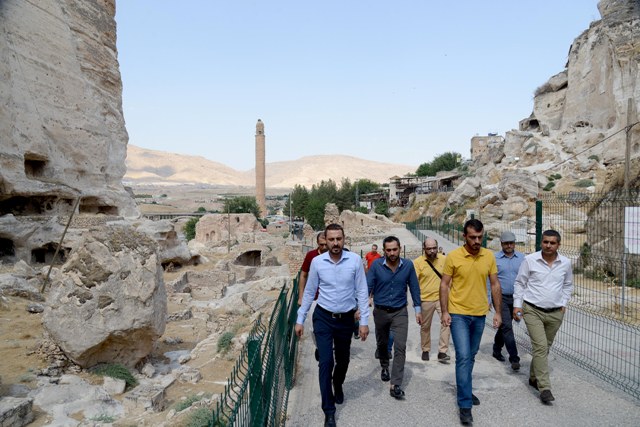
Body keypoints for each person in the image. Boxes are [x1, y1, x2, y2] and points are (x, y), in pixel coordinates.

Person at [295, 224, 370, 427]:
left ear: (344, 239)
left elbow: (362, 291)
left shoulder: (354, 260)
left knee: (343, 360)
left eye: (339, 239)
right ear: (325, 241)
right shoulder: (317, 262)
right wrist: (300, 319)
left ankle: (338, 383)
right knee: (325, 362)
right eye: (331, 239)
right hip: (323, 318)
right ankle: (328, 410)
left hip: (346, 319)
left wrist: (363, 321)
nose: (335, 243)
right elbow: (309, 292)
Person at [440, 219, 502, 425]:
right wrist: (445, 311)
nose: (477, 241)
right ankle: (465, 405)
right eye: (473, 237)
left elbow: (495, 284)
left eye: (480, 237)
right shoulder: (453, 256)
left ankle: (464, 387)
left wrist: (498, 312)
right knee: (464, 356)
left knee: (471, 355)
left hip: (479, 314)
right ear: (464, 236)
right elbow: (444, 285)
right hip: (458, 313)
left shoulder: (489, 256)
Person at [513, 229, 573, 405]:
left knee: (545, 348)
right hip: (533, 310)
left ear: (558, 245)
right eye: (545, 242)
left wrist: (563, 303)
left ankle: (533, 377)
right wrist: (517, 305)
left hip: (555, 313)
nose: (548, 245)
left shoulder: (566, 263)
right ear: (541, 243)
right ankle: (545, 388)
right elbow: (520, 283)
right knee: (540, 347)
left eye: (552, 243)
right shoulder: (530, 260)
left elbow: (568, 284)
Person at [367, 235, 422, 400]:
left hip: (400, 312)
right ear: (384, 251)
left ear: (400, 249)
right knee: (382, 344)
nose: (392, 253)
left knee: (400, 346)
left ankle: (395, 384)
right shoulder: (376, 265)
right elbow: (367, 286)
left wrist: (418, 310)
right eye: (389, 250)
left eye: (395, 249)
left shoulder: (408, 265)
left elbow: (414, 287)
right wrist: (362, 306)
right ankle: (384, 365)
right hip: (381, 311)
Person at [491, 231, 524, 371]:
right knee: (507, 327)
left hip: (517, 298)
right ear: (501, 244)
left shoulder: (522, 258)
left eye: (511, 243)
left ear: (515, 243)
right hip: (500, 297)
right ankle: (514, 358)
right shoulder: (494, 259)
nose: (509, 246)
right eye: (506, 243)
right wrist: (488, 298)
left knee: (505, 325)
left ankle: (496, 348)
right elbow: (489, 281)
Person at [413, 238, 451, 363]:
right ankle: (425, 349)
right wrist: (416, 304)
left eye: (434, 248)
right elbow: (414, 284)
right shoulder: (418, 262)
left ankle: (442, 352)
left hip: (442, 298)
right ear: (424, 248)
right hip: (425, 299)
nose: (432, 251)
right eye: (429, 248)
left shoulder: (444, 259)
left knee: (446, 323)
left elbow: (451, 277)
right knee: (425, 326)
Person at [297, 232, 328, 360]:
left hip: (329, 298)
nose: (324, 247)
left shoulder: (334, 256)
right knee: (313, 327)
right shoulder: (311, 256)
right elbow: (303, 275)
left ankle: (328, 348)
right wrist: (301, 296)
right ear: (317, 244)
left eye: (326, 244)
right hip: (314, 298)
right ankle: (318, 346)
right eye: (322, 245)